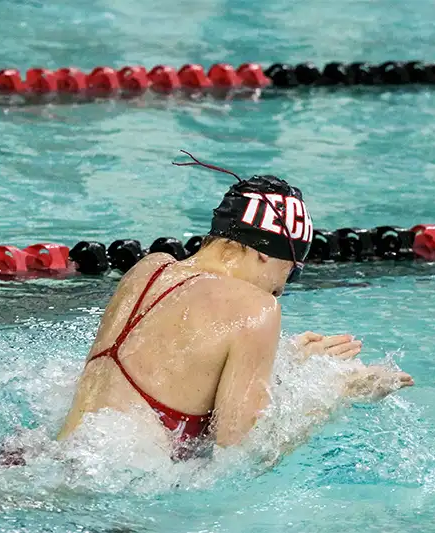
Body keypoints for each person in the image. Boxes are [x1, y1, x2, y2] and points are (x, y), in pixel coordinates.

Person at [56, 152, 413, 460]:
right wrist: (339, 393)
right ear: (264, 251)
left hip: (38, 460)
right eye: (289, 273)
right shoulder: (255, 309)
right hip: (108, 503)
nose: (279, 291)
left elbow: (175, 372)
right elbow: (244, 457)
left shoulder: (148, 269)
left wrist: (286, 365)